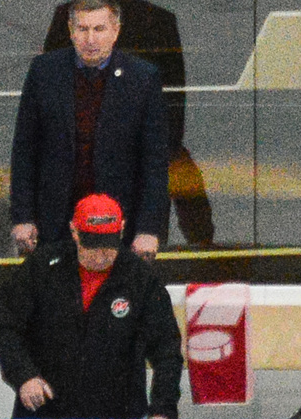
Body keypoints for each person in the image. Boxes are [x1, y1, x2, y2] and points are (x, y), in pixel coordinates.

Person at [0, 193, 182, 419]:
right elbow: (4, 324)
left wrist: (162, 409)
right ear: (74, 232)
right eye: (92, 245)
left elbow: (167, 349)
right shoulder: (41, 267)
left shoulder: (140, 279)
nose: (101, 255)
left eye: (109, 245)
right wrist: (23, 376)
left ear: (121, 230)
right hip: (46, 413)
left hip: (117, 418)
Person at [45, 0, 213, 248]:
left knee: (141, 255)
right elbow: (51, 94)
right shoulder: (68, 16)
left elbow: (172, 108)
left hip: (140, 161)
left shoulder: (159, 21)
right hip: (81, 160)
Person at [10, 0, 167, 259]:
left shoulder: (143, 78)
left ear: (115, 31)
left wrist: (148, 229)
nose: (90, 39)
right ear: (71, 30)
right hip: (55, 225)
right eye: (82, 29)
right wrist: (23, 217)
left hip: (118, 227)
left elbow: (154, 162)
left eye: (99, 29)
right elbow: (25, 151)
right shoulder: (44, 72)